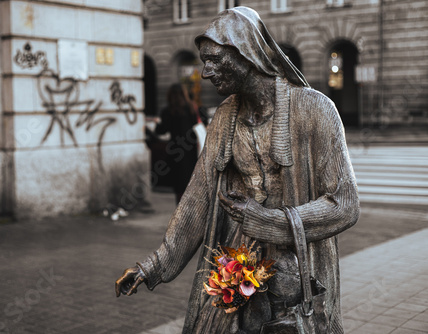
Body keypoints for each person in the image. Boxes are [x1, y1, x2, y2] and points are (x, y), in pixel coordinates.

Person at [116, 7, 359, 334]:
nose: (206, 72)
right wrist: (154, 266)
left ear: (247, 53)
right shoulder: (225, 117)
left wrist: (272, 222)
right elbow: (198, 197)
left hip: (298, 270)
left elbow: (345, 204)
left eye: (215, 59)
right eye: (205, 61)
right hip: (236, 265)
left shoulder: (315, 111)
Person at [154, 83, 199, 204]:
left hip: (176, 152)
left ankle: (180, 213)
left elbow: (161, 130)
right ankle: (191, 211)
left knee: (179, 186)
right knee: (190, 183)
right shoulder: (191, 108)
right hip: (190, 150)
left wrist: (157, 123)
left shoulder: (168, 111)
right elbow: (197, 125)